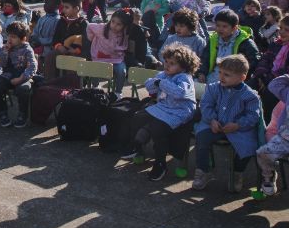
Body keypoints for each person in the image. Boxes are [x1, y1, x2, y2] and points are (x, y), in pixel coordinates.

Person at [122, 44, 198, 181]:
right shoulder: (164, 74)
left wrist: (160, 83)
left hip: (179, 112)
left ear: (183, 66)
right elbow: (150, 86)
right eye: (166, 62)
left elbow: (179, 93)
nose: (167, 66)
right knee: (138, 117)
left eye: (172, 64)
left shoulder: (184, 78)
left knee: (158, 128)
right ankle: (136, 146)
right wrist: (156, 82)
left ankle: (160, 163)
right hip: (163, 107)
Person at [192, 55, 262, 192]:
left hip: (238, 129)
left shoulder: (250, 95)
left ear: (242, 77)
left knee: (249, 146)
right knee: (202, 138)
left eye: (227, 75)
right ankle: (203, 171)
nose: (221, 77)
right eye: (220, 73)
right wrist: (212, 119)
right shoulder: (213, 88)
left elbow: (253, 115)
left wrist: (238, 125)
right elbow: (206, 105)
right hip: (214, 125)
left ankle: (237, 172)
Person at [0, 21, 38, 127]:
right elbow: (2, 64)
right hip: (8, 75)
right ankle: (2, 113)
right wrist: (5, 52)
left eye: (14, 37)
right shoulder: (6, 48)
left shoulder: (27, 50)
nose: (10, 39)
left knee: (23, 89)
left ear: (23, 38)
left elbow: (32, 66)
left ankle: (22, 115)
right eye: (9, 36)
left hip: (23, 76)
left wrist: (21, 79)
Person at [199, 9, 259, 84]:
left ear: (234, 28)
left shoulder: (245, 42)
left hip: (233, 80)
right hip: (213, 77)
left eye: (224, 26)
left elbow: (254, 61)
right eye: (218, 25)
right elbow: (205, 58)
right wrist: (202, 73)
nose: (220, 29)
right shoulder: (213, 40)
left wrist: (239, 78)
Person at [86, 9, 134, 98]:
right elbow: (89, 26)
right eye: (113, 22)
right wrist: (91, 38)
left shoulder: (125, 32)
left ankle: (118, 92)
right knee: (94, 69)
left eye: (118, 24)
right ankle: (95, 87)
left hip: (116, 58)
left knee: (121, 71)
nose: (114, 26)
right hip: (99, 57)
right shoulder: (102, 28)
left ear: (124, 26)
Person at [257, 74, 289, 196]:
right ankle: (268, 176)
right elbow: (274, 85)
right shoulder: (287, 93)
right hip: (284, 140)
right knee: (263, 153)